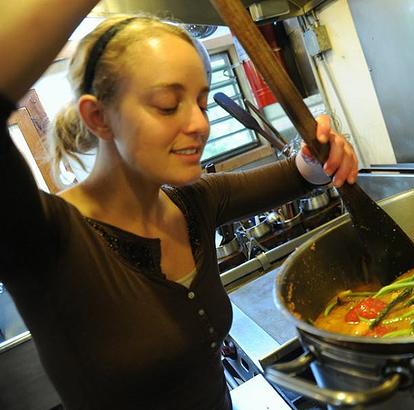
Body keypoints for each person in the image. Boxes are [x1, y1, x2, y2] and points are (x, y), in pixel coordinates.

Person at [0, 2, 358, 409]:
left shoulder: (193, 202)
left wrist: (321, 156)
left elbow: (302, 174)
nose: (200, 124)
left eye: (201, 103)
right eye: (169, 105)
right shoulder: (42, 237)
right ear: (99, 117)